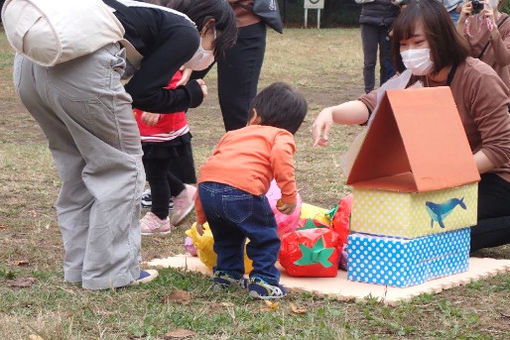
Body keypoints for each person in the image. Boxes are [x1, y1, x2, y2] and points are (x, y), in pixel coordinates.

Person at [9, 0, 236, 290]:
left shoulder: (148, 15)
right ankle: (111, 273)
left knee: (77, 169)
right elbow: (140, 94)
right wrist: (190, 95)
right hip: (80, 67)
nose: (211, 56)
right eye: (216, 47)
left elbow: (138, 91)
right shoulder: (186, 31)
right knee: (123, 169)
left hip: (30, 67)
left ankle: (81, 270)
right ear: (209, 25)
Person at [312, 0, 510, 252]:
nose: (409, 52)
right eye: (403, 45)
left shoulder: (478, 78)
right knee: (399, 223)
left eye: (418, 43)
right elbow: (372, 104)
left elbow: (499, 150)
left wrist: (444, 177)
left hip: (496, 178)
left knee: (433, 231)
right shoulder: (414, 77)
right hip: (450, 176)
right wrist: (331, 112)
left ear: (442, 38)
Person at [195, 82, 307, 299]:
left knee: (226, 237)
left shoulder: (232, 135)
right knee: (265, 237)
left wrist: (201, 214)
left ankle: (227, 276)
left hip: (208, 190)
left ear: (254, 115)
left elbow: (209, 170)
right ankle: (264, 281)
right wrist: (289, 195)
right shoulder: (280, 136)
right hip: (242, 192)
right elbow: (282, 160)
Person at [134, 69, 197, 235]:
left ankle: (160, 216)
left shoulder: (167, 50)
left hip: (160, 122)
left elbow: (172, 79)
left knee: (155, 171)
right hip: (147, 119)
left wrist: (159, 107)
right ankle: (180, 190)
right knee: (151, 167)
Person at [457, 0, 510, 89]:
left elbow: (503, 59)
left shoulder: (507, 24)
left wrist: (493, 28)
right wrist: (461, 22)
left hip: (499, 87)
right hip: (475, 85)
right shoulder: (469, 21)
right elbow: (459, 54)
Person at [355, 0, 401, 93]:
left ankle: (384, 91)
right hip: (368, 23)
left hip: (389, 22)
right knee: (369, 62)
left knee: (386, 61)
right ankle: (369, 92)